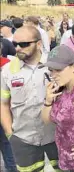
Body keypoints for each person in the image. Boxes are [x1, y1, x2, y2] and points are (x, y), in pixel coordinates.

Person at [1, 26, 60, 172]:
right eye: (15, 44)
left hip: (57, 135)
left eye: (24, 44)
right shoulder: (8, 70)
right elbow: (3, 104)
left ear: (39, 44)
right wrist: (10, 133)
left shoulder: (55, 65)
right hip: (23, 139)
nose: (18, 48)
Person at [0, 41, 17, 172]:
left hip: (5, 109)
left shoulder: (9, 65)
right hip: (6, 109)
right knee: (7, 144)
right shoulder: (9, 64)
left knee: (7, 143)